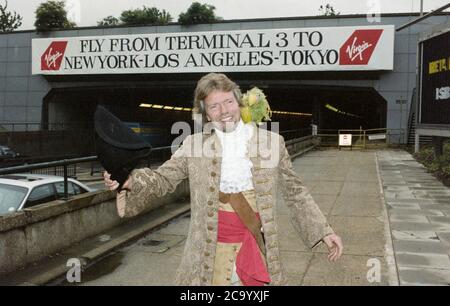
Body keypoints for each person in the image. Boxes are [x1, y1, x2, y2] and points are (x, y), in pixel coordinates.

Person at [103, 73, 343, 286]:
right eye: (214, 106)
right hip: (209, 254)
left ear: (238, 102)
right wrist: (130, 181)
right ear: (205, 113)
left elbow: (295, 192)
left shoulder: (272, 143)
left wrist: (323, 231)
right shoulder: (193, 145)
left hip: (257, 248)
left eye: (228, 102)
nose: (224, 111)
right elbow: (163, 178)